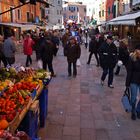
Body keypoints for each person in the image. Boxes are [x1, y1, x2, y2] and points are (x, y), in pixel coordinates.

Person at [125, 44, 140, 120]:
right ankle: (133, 111)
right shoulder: (132, 58)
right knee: (133, 98)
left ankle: (138, 110)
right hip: (133, 80)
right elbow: (129, 71)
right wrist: (127, 83)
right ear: (136, 50)